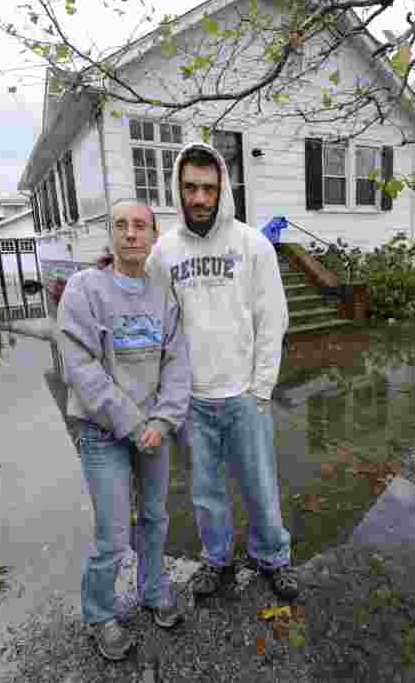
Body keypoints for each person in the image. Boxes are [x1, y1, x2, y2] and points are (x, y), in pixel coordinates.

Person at [145, 143, 297, 600]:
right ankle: (216, 559)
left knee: (260, 486)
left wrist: (262, 387)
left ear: (221, 190)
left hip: (244, 395)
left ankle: (273, 556)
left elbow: (274, 318)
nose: (199, 197)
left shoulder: (253, 246)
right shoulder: (163, 254)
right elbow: (157, 324)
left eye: (208, 188)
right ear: (178, 189)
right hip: (192, 398)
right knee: (206, 491)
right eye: (190, 187)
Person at [57, 199, 191, 661]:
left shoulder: (163, 292)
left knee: (154, 518)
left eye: (140, 226)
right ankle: (100, 614)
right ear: (111, 236)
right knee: (113, 532)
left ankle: (153, 592)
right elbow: (80, 368)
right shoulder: (84, 289)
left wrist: (163, 418)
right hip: (102, 431)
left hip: (153, 429)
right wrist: (135, 424)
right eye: (121, 225)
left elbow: (177, 361)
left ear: (154, 236)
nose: (130, 233)